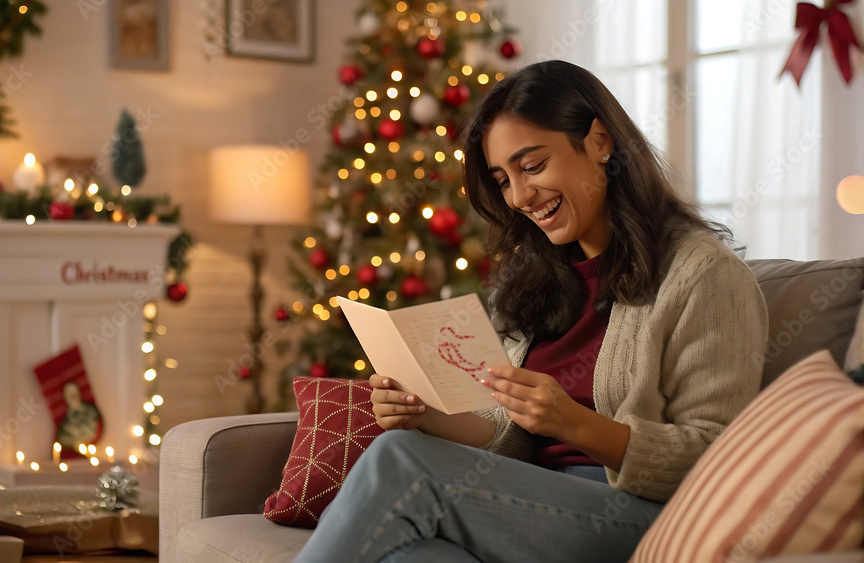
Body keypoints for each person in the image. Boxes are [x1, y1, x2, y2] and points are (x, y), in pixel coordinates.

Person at [295, 60, 768, 563]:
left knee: (396, 459)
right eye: (502, 180)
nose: (519, 197)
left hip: (649, 519)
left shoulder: (703, 276)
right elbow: (509, 432)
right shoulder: (529, 281)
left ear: (600, 142)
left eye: (533, 166)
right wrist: (429, 419)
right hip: (530, 508)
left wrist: (574, 424)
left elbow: (717, 459)